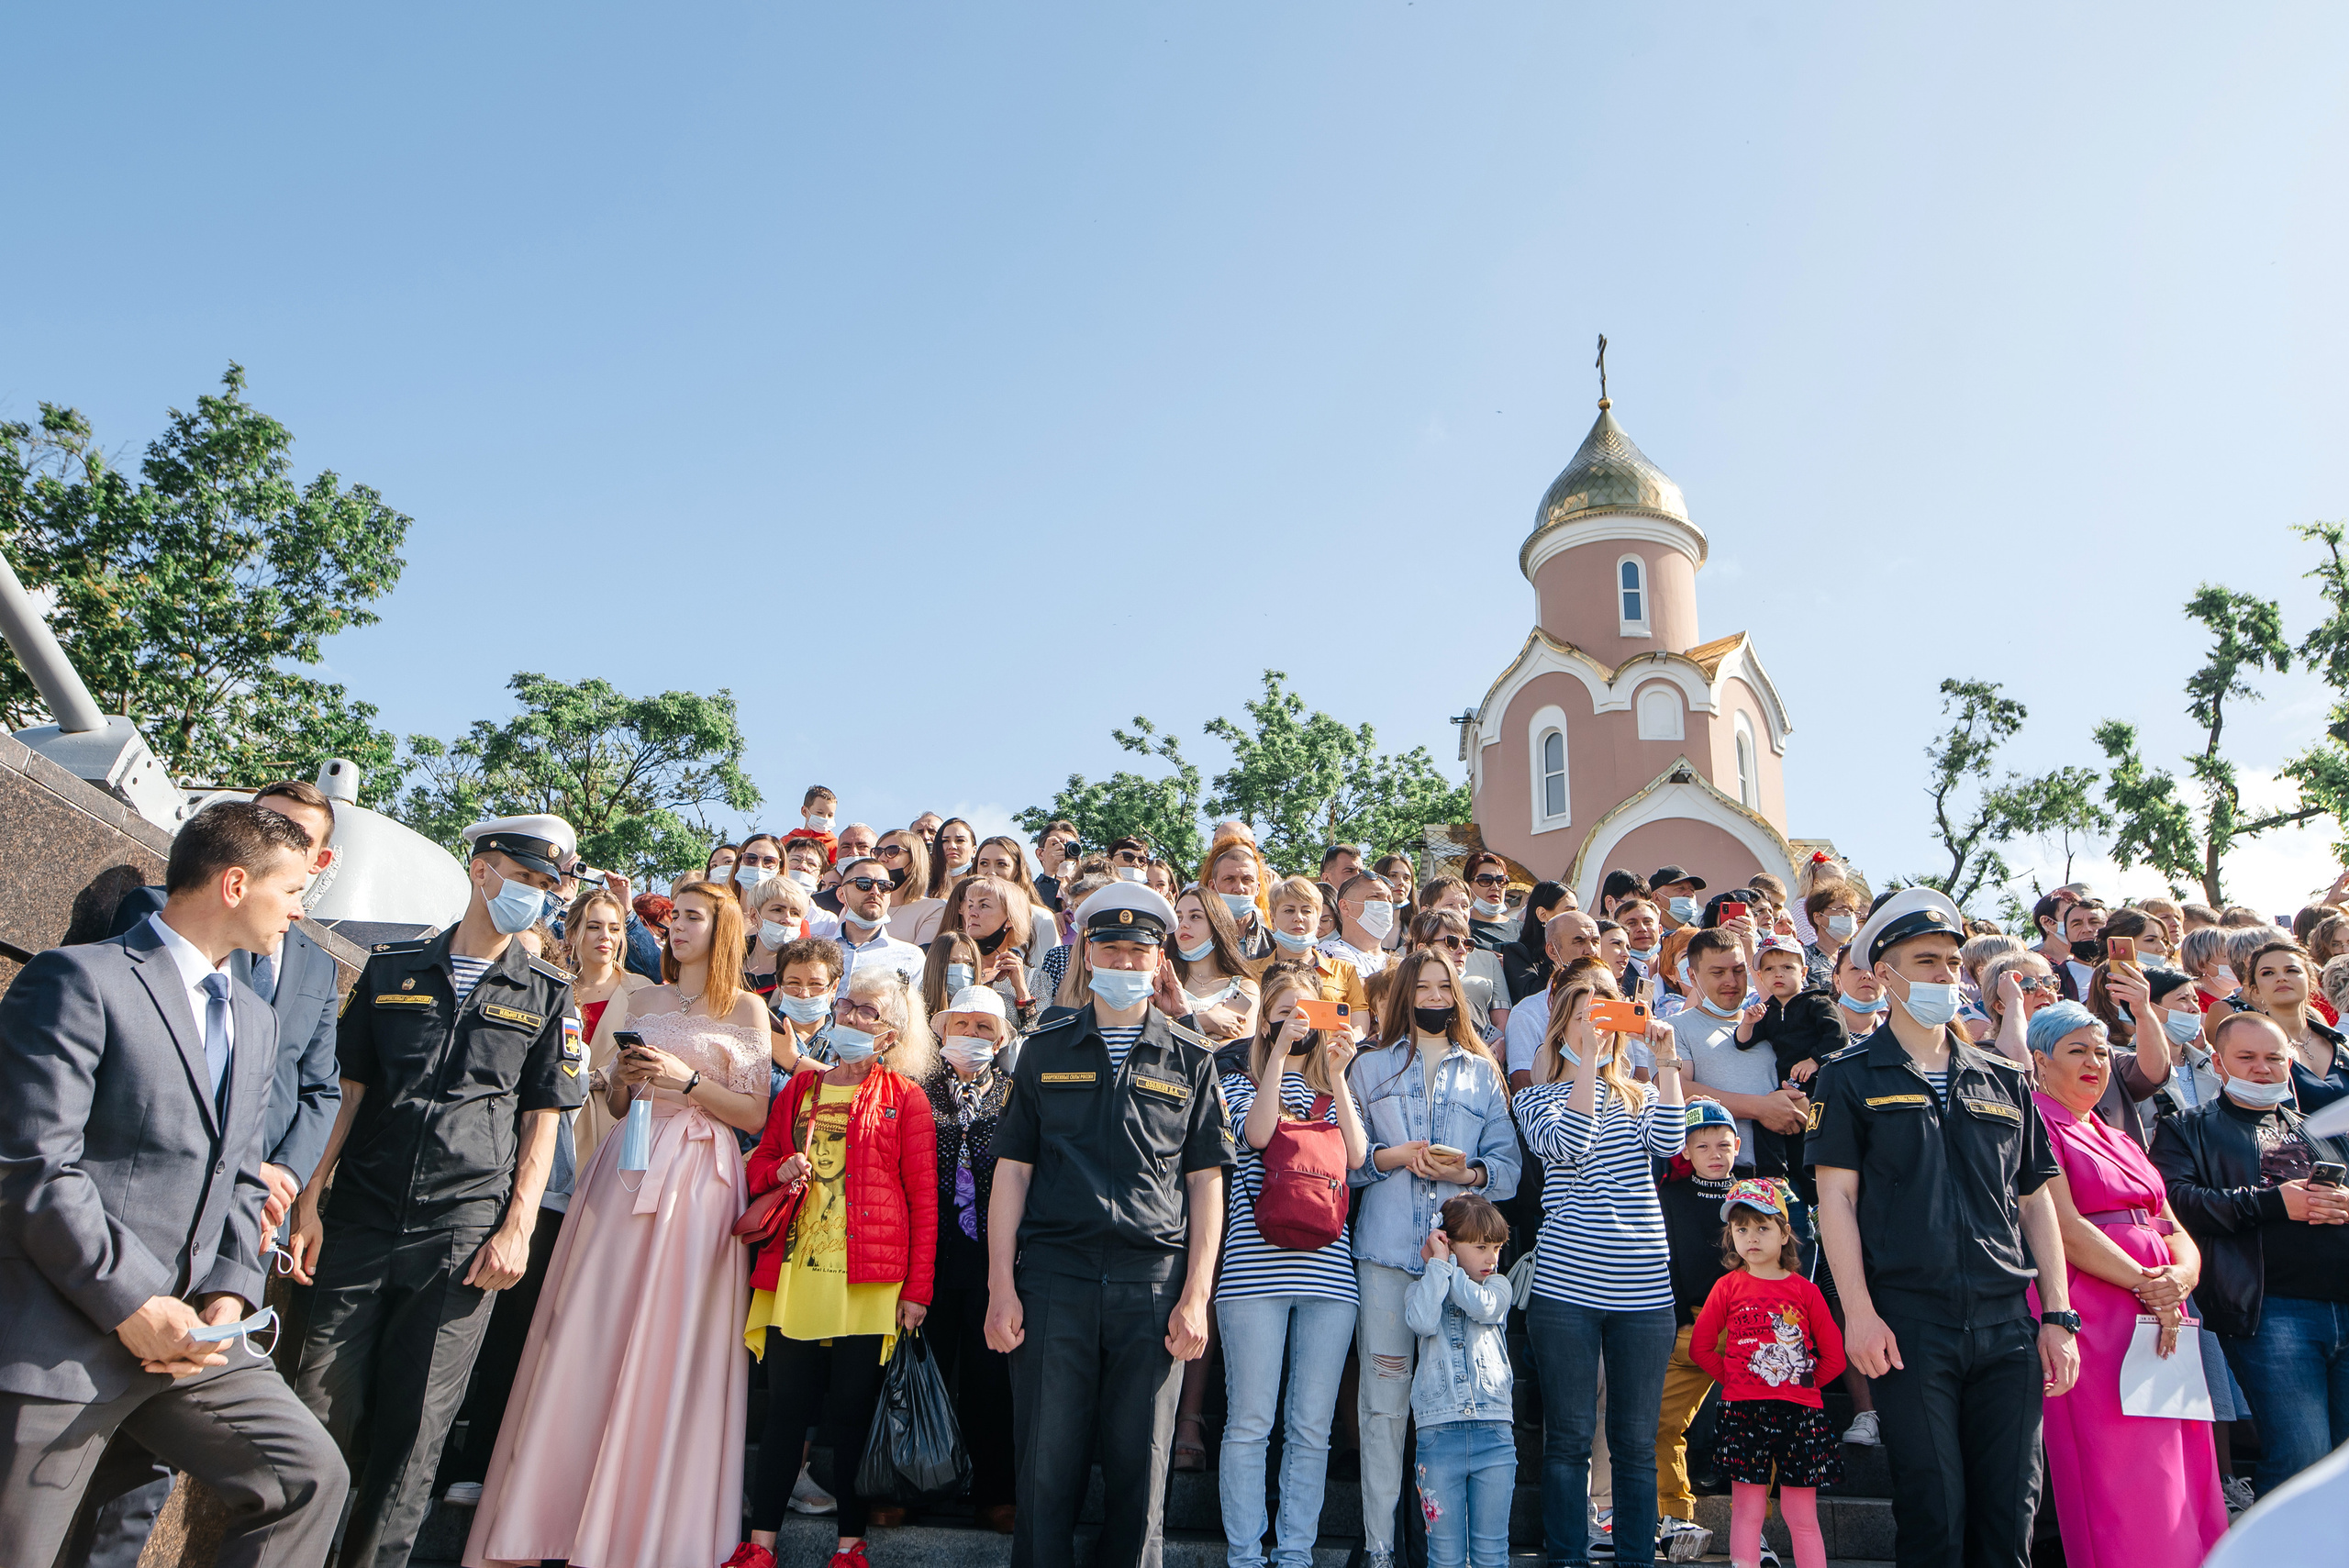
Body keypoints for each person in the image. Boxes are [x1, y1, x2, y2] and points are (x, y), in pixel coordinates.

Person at [0, 802, 349, 1568]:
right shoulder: (78, 980)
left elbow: (238, 1174)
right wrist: (129, 1301)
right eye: (291, 890)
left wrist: (231, 1289)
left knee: (309, 1476)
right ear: (234, 884)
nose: (299, 911)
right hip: (65, 1331)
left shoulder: (253, 1020)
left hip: (192, 1341)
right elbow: (32, 1166)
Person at [284, 814, 586, 1568]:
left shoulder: (549, 993)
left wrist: (518, 1224)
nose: (539, 898)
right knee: (318, 1405)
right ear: (483, 870)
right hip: (358, 1216)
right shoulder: (392, 969)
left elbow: (542, 1118)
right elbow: (345, 1092)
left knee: (414, 1434)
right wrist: (310, 1197)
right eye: (528, 880)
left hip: (461, 1232)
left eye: (550, 888)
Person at [462, 879, 772, 1568]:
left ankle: (643, 1528)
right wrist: (631, 1076)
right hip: (625, 1161)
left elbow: (753, 1115)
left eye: (694, 917)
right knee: (590, 1324)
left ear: (723, 931)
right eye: (677, 916)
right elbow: (626, 1090)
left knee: (669, 1335)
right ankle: (550, 1517)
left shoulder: (748, 1010)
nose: (678, 927)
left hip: (697, 1178)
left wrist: (684, 1078)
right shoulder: (645, 999)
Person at [1805, 886, 2077, 1568]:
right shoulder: (1847, 1077)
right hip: (1909, 1324)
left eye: (1952, 961)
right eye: (1925, 960)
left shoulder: (2004, 1078)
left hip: (2005, 1323)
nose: (1944, 975)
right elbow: (1833, 1200)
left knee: (2010, 1514)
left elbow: (2036, 1200)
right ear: (1885, 974)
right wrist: (1859, 1314)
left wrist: (2059, 1313)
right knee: (1935, 1515)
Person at [984, 881, 1234, 1568]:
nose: (1125, 961)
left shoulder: (1193, 1057)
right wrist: (1000, 1286)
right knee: (1045, 1467)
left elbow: (1206, 1183)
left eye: (1139, 950)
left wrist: (1196, 1295)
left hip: (1150, 1284)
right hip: (1054, 1280)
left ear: (1160, 962)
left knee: (1141, 1471)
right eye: (1111, 947)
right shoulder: (1044, 1048)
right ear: (1088, 955)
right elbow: (1013, 1172)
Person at [728, 966, 940, 1568]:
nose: (848, 1016)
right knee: (786, 1411)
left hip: (871, 1283)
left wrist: (917, 1288)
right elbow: (757, 1165)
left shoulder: (908, 1099)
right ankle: (759, 1545)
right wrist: (778, 1170)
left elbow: (924, 1201)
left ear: (892, 1032)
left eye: (865, 1011)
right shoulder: (801, 1090)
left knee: (849, 1416)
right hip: (798, 1271)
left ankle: (849, 1545)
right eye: (847, 1005)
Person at [2020, 1002, 2226, 1568]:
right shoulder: (2035, 1123)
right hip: (2093, 1311)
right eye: (2077, 1051)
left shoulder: (2117, 1134)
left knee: (2186, 1458)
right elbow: (2062, 1224)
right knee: (2123, 1468)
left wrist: (2182, 1275)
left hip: (2163, 1311)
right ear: (2040, 1060)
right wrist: (2148, 1282)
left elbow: (2171, 1222)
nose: (2095, 1062)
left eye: (2103, 1051)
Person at [1345, 948, 1522, 1568]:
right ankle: (1379, 1546)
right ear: (1403, 994)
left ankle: (1455, 1550)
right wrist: (1392, 1157)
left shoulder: (1481, 1070)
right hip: (1389, 1258)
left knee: (1458, 1402)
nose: (1435, 997)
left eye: (1444, 987)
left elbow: (1508, 1167)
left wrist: (1467, 1169)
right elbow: (1349, 1164)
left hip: (1463, 1269)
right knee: (1384, 1404)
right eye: (1422, 986)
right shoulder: (1367, 1069)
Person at [1514, 975, 1687, 1568]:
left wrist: (1665, 1066)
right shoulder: (1534, 1099)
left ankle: (1636, 1558)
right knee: (1568, 1438)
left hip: (1643, 1290)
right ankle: (1568, 1556)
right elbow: (1572, 1142)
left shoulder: (1638, 1094)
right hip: (1567, 1291)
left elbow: (1670, 1140)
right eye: (1585, 1017)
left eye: (1605, 1015)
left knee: (1636, 1442)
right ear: (1562, 1027)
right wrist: (1588, 1059)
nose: (1598, 1026)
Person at [2150, 1010, 2349, 1496]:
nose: (2263, 1068)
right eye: (2247, 1057)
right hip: (2272, 1313)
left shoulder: (2322, 1126)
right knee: (2302, 1456)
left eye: (2273, 1058)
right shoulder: (2185, 1128)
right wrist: (2272, 1202)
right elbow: (2176, 1204)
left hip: (2344, 1300)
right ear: (2218, 1063)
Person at [1216, 969, 1371, 1568]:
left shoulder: (1331, 1090)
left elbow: (1357, 1156)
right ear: (1266, 1019)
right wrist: (1279, 1051)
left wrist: (1338, 1070)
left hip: (1329, 1280)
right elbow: (1254, 1134)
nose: (1298, 1021)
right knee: (1251, 1420)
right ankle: (1245, 1551)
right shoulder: (1237, 1079)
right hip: (1253, 1276)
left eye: (1305, 1011)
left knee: (1311, 1427)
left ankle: (1297, 1551)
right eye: (1284, 1011)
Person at [1689, 1179, 1846, 1568]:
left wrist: (1803, 1385)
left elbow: (1835, 1357)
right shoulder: (1727, 1287)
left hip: (1800, 1415)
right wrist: (1737, 1380)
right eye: (1741, 1229)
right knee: (1747, 1509)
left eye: (1762, 1227)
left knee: (1801, 1515)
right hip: (1744, 1411)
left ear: (1784, 1232)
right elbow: (1701, 1348)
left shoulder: (1806, 1291)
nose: (1751, 1237)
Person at [922, 985, 1019, 1532]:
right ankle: (904, 1483)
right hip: (930, 1255)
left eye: (985, 1028)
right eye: (963, 1025)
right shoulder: (918, 1093)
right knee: (919, 1372)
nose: (973, 1036)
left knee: (989, 1382)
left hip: (992, 1258)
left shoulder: (1016, 1093)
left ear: (1002, 1038)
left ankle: (995, 1492)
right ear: (942, 1032)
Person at [1405, 1195, 1517, 1568]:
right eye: (1481, 1246)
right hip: (1438, 1436)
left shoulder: (1498, 1286)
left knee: (1491, 1554)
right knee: (1445, 1557)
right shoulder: (1423, 1288)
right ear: (1449, 1241)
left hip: (1493, 1436)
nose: (1491, 1258)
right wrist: (1438, 1268)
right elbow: (1421, 1320)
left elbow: (1482, 1307)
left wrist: (1446, 1265)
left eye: (1497, 1247)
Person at [1653, 1103, 1737, 1564]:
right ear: (1684, 1149)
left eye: (1723, 1144)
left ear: (1737, 1145)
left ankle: (1753, 1527)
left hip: (1748, 1328)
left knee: (1756, 1428)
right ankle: (1675, 1515)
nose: (1715, 1153)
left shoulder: (1754, 1193)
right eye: (1702, 1145)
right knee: (1662, 1423)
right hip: (1691, 1324)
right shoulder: (1669, 1196)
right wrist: (1680, 1319)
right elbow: (1667, 1264)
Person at [1675, 929, 1807, 1178]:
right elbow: (1678, 1090)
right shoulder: (1674, 1027)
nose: (1731, 982)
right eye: (1718, 973)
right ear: (1692, 976)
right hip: (1715, 1179)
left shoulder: (1772, 1022)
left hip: (1785, 1176)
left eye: (1738, 970)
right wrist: (1760, 1108)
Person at [562, 883, 655, 1169]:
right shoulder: (553, 989)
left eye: (615, 929)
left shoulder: (643, 991)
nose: (606, 937)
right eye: (594, 927)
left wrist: (600, 1078)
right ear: (572, 933)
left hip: (617, 1128)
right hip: (560, 1123)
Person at [2242, 939, 2349, 1111]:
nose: (2281, 978)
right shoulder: (2248, 1048)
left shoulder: (2340, 1043)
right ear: (2255, 989)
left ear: (2311, 980)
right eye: (2268, 973)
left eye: (2291, 970)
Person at [1503, 910, 1604, 1089]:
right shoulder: (1527, 1013)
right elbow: (1524, 1088)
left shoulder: (1616, 1007)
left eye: (1595, 941)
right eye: (1579, 941)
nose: (1591, 950)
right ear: (1552, 950)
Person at [1267, 876, 1370, 1028]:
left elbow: (1359, 1026)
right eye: (1289, 910)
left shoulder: (1345, 972)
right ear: (1272, 918)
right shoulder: (1251, 972)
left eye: (1306, 910)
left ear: (1318, 918)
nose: (1298, 918)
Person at [1170, 883, 1264, 1043]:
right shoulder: (1161, 981)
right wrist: (1204, 1021)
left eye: (1195, 916)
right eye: (1178, 917)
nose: (1183, 924)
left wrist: (1177, 1026)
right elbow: (1154, 1038)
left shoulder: (1244, 988)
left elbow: (1233, 1054)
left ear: (1217, 925)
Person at [830, 856, 926, 987]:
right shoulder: (817, 952)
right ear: (841, 894)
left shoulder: (911, 956)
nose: (875, 891)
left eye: (884, 886)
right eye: (864, 884)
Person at [1503, 881, 1574, 1003]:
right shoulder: (1517, 952)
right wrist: (1553, 949)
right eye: (1568, 911)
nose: (1575, 917)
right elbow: (1533, 996)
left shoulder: (1579, 950)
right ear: (1542, 914)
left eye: (1577, 911)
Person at [1207, 839, 1275, 961]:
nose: (1239, 888)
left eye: (1247, 879)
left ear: (1258, 888)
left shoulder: (1274, 945)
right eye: (1229, 879)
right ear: (1212, 887)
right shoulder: (1198, 940)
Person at [1322, 870, 1398, 979]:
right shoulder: (1330, 951)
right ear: (1345, 906)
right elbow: (1369, 993)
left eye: (1389, 900)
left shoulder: (1394, 961)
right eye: (1375, 897)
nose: (1385, 904)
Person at [874, 829, 938, 940]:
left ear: (914, 859)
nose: (881, 859)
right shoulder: (861, 906)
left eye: (892, 851)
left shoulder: (933, 909)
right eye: (878, 852)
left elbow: (922, 956)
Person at [1460, 852, 1515, 950]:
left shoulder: (1523, 931)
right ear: (1468, 886)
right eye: (1485, 880)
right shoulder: (1457, 928)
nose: (1495, 887)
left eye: (1501, 881)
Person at [1373, 853, 1418, 951]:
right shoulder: (1361, 924)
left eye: (1406, 878)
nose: (1401, 882)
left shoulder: (1417, 931)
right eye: (1393, 876)